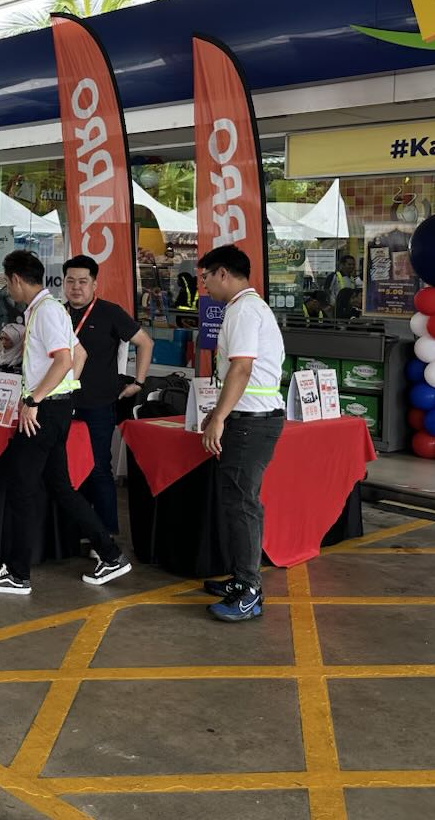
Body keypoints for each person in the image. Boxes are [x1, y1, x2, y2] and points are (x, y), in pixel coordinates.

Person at [0, 250, 131, 595]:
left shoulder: (46, 311)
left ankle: (17, 573)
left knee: (21, 488)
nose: (8, 291)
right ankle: (110, 554)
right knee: (60, 487)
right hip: (56, 410)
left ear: (17, 279)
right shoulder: (50, 309)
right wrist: (63, 392)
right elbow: (79, 355)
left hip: (43, 413)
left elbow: (64, 360)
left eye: (8, 283)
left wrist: (36, 399)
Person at [196, 244, 286, 622]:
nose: (203, 285)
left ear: (223, 273)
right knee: (236, 500)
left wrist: (220, 416)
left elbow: (242, 368)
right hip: (248, 417)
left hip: (253, 421)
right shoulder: (243, 307)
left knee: (243, 503)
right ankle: (240, 578)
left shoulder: (244, 310)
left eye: (205, 277)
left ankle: (250, 591)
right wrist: (220, 413)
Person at [62, 254, 154, 534]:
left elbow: (145, 343)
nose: (76, 287)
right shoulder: (57, 313)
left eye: (82, 281)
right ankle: (75, 532)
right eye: (70, 281)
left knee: (98, 467)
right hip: (61, 403)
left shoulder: (109, 312)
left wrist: (139, 382)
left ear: (94, 284)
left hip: (97, 404)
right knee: (66, 468)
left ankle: (106, 535)